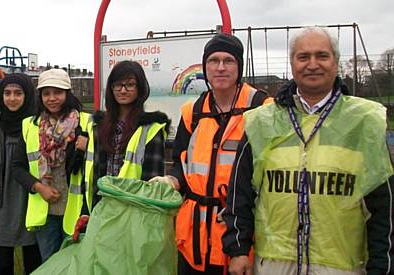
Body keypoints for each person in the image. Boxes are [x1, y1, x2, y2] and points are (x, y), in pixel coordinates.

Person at [223, 27, 394, 275]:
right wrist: (238, 250)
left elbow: (383, 206)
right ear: (292, 64)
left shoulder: (364, 121)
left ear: (335, 62)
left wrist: (382, 266)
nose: (312, 64)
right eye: (303, 57)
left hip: (340, 265)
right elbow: (240, 194)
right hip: (274, 263)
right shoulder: (262, 121)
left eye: (322, 56)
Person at [160, 33, 270, 274]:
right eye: (213, 61)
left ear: (239, 67)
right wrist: (172, 179)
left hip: (238, 233)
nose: (221, 67)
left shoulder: (262, 108)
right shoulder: (193, 112)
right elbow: (181, 161)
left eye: (229, 61)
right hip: (194, 238)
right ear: (205, 67)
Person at [11, 68, 90, 261]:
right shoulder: (30, 126)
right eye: (46, 93)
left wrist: (83, 147)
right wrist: (39, 188)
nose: (52, 98)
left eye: (58, 92)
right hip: (45, 211)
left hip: (76, 209)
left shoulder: (87, 124)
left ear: (67, 94)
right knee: (50, 264)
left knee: (76, 265)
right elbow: (17, 167)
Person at [87, 60, 169, 210]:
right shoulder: (99, 126)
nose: (123, 90)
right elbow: (96, 172)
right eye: (118, 85)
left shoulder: (151, 128)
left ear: (140, 88)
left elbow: (152, 181)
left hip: (133, 210)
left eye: (130, 85)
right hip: (103, 207)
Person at [0, 73, 42, 274]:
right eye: (7, 93)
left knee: (33, 256)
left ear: (28, 96)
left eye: (18, 93)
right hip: (3, 198)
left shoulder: (37, 126)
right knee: (4, 259)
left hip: (30, 196)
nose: (12, 98)